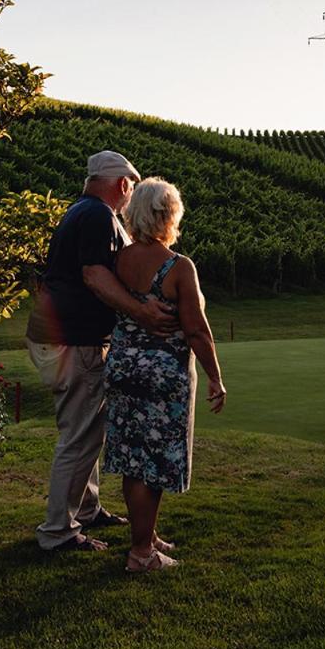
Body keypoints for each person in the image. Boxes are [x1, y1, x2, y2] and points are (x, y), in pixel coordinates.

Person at [26, 151, 180, 553]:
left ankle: (89, 509)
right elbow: (94, 276)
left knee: (89, 432)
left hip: (60, 336)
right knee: (78, 438)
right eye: (130, 189)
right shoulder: (98, 216)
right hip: (74, 341)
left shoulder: (80, 210)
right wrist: (143, 312)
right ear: (124, 185)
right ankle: (57, 531)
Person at [103, 177, 227, 573]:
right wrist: (215, 377)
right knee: (153, 463)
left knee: (131, 458)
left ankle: (146, 535)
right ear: (169, 215)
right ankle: (141, 552)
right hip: (162, 376)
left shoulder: (118, 260)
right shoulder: (178, 267)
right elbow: (196, 330)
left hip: (122, 368)